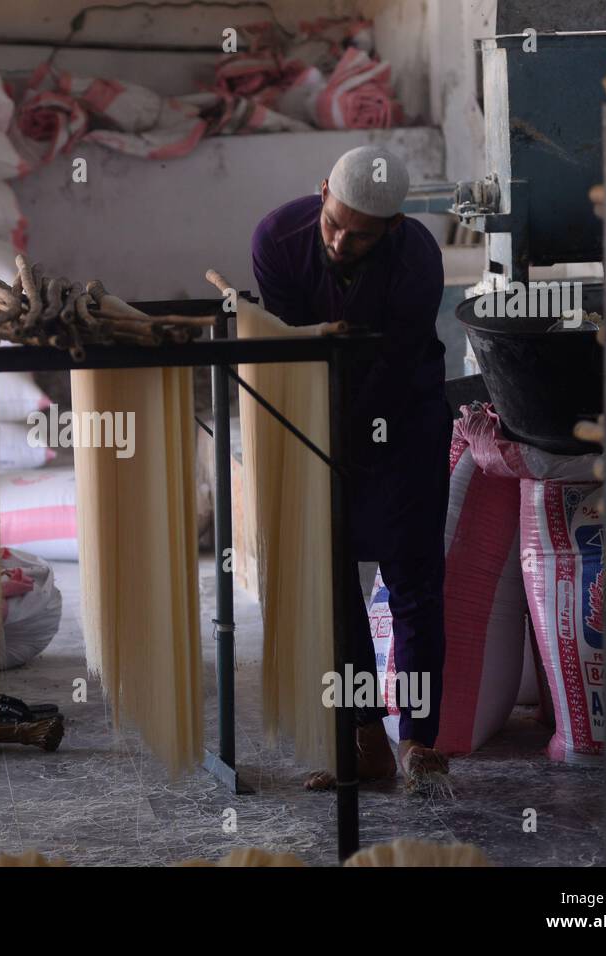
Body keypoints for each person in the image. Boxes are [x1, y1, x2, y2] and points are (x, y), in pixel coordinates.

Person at [251, 146, 450, 789]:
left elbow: (393, 367)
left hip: (404, 417)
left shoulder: (417, 257)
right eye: (333, 223)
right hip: (313, 418)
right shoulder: (278, 240)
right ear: (321, 194)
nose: (339, 241)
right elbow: (286, 352)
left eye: (360, 235)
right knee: (335, 591)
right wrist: (313, 440)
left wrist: (350, 434)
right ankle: (364, 742)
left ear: (391, 228)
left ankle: (419, 742)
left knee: (412, 580)